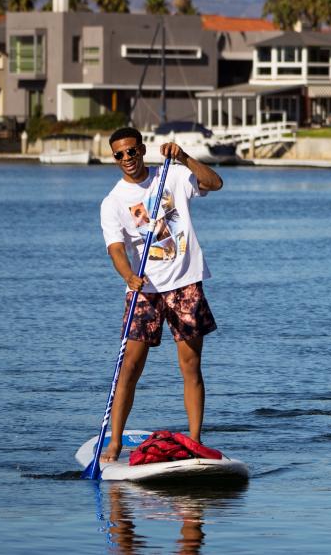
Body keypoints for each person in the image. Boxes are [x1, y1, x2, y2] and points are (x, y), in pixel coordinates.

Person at [98, 126, 224, 462]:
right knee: (130, 368)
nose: (127, 159)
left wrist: (183, 156)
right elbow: (116, 249)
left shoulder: (172, 176)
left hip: (185, 283)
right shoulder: (112, 203)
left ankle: (195, 442)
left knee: (190, 365)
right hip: (145, 290)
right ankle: (114, 443)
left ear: (141, 149)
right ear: (115, 158)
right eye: (119, 154)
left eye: (132, 151)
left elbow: (214, 183)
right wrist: (128, 276)